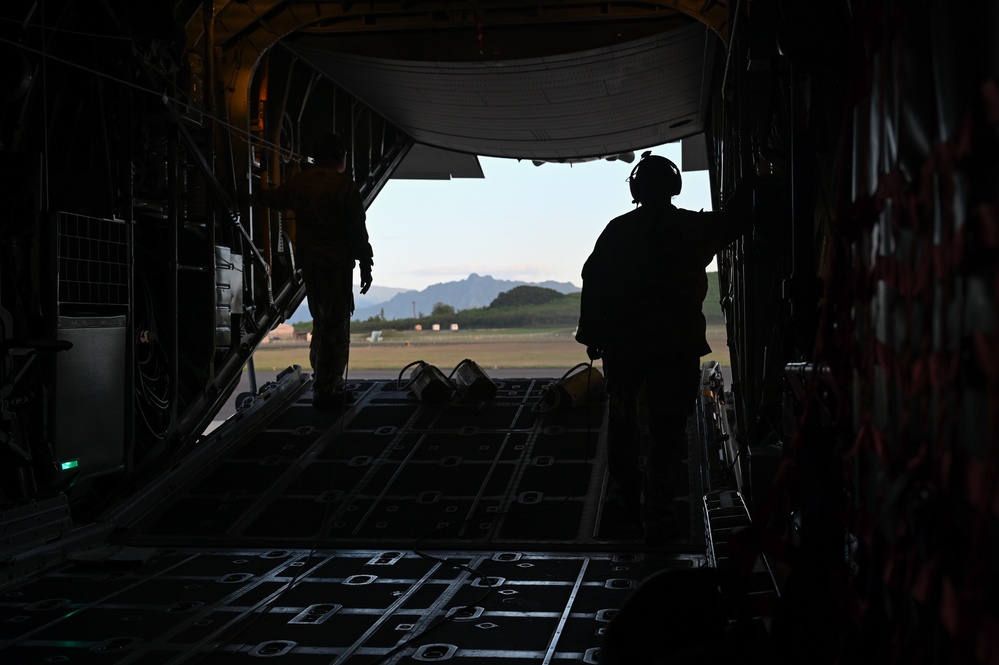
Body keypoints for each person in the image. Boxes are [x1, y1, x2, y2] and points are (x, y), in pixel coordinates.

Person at [575, 150, 751, 545]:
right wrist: (753, 177)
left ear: (636, 188)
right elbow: (738, 219)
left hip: (625, 346)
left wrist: (590, 333)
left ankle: (627, 511)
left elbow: (593, 278)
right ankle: (660, 513)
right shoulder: (691, 227)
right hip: (676, 345)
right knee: (667, 431)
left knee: (623, 425)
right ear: (674, 186)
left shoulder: (618, 230)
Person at [257, 132, 373, 408]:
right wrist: (366, 264)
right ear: (339, 157)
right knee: (335, 327)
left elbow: (274, 199)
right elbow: (358, 233)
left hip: (311, 268)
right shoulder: (344, 187)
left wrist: (247, 192)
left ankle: (323, 379)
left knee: (320, 325)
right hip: (337, 268)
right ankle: (326, 388)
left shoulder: (300, 184)